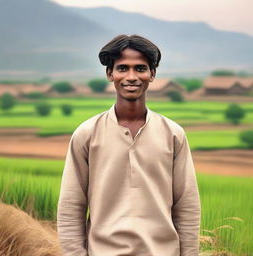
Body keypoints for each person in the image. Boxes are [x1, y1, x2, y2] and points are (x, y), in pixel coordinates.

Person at [57, 34, 201, 256]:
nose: (131, 76)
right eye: (123, 68)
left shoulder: (173, 134)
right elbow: (71, 206)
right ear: (110, 74)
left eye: (140, 68)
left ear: (152, 74)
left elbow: (187, 207)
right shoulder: (87, 134)